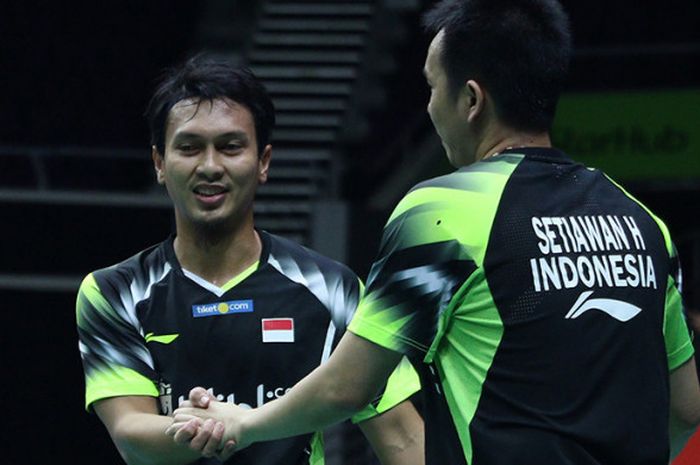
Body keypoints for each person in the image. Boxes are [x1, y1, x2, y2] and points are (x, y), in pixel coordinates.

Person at [166, 1, 700, 464]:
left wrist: (243, 424)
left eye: (431, 86)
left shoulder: (444, 210)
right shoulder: (642, 222)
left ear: (471, 100)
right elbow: (684, 407)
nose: (427, 105)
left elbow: (349, 387)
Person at [75, 55, 424, 465]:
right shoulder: (114, 292)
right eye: (189, 148)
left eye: (230, 147)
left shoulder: (333, 289)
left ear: (263, 162)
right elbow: (131, 432)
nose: (209, 166)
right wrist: (207, 427)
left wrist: (237, 423)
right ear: (159, 164)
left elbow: (401, 437)